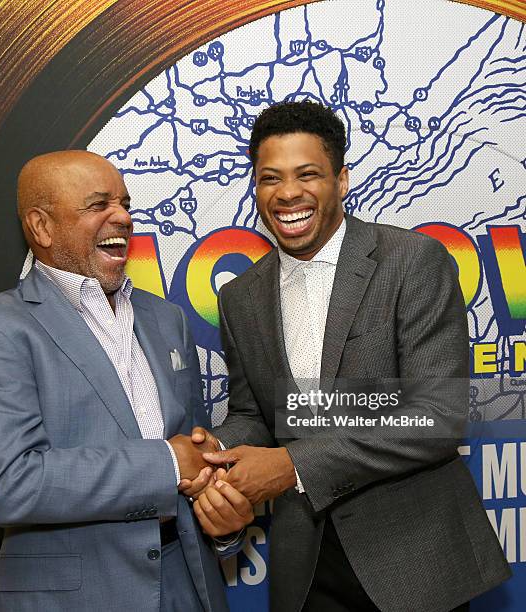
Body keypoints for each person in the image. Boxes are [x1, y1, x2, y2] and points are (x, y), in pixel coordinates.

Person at [181, 101, 510, 612]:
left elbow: (438, 416)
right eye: (270, 178)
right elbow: (258, 413)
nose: (288, 193)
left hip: (412, 556)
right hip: (306, 560)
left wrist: (291, 466)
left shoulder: (412, 261)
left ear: (341, 180)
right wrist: (216, 448)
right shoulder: (239, 296)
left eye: (306, 174)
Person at [0, 150, 253, 612]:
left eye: (125, 204)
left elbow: (195, 455)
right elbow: (10, 484)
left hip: (190, 586)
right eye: (99, 206)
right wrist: (168, 464)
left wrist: (221, 519)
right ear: (41, 227)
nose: (123, 218)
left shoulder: (166, 318)